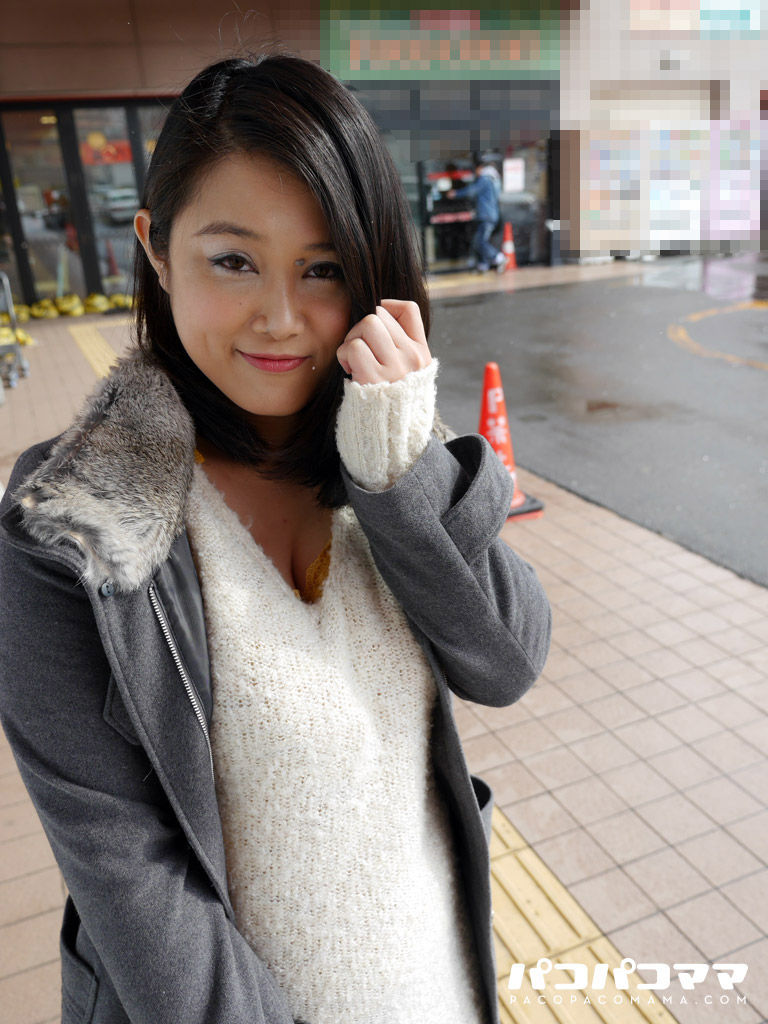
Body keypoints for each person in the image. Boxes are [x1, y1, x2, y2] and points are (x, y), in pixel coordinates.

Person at [0, 48, 551, 1024]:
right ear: (156, 249)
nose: (283, 318)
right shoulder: (73, 524)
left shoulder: (372, 443)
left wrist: (400, 461)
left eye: (323, 268)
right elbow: (138, 883)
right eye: (233, 260)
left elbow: (505, 660)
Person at [448, 160, 507, 273]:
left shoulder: (485, 179)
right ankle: (483, 265)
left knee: (480, 241)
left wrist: (456, 193)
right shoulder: (493, 178)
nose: (475, 172)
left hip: (486, 215)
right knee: (479, 240)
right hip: (490, 215)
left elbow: (472, 191)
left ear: (480, 168)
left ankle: (498, 257)